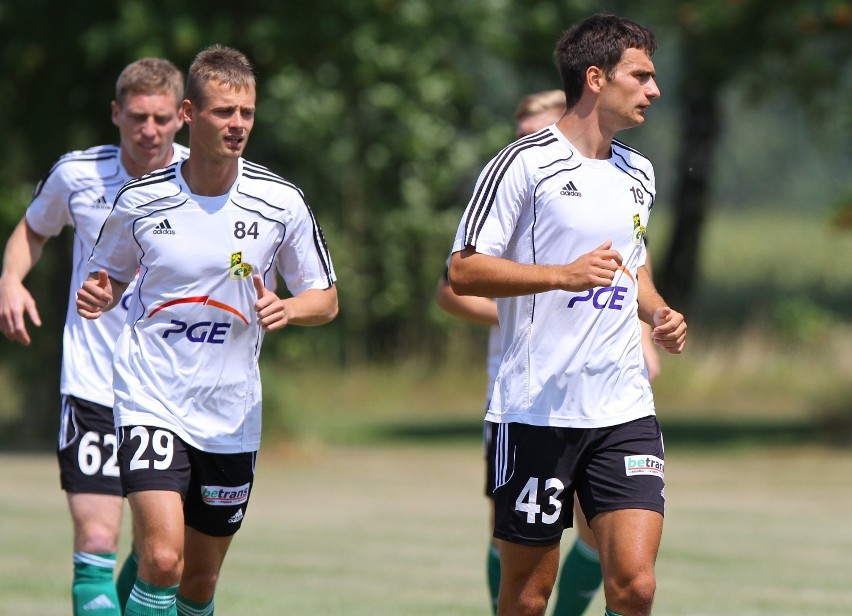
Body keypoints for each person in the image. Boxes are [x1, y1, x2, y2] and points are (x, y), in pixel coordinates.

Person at [75, 45, 338, 616]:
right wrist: (101, 293)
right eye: (224, 112)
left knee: (199, 582)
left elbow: (327, 298)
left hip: (231, 411)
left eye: (246, 112)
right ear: (190, 114)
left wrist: (291, 310)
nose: (238, 124)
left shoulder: (280, 201)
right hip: (152, 395)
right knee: (162, 562)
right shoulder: (140, 200)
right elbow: (110, 276)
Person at [448, 14, 687, 616]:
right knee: (528, 596)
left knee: (635, 586)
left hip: (622, 406)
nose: (654, 90)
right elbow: (463, 270)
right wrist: (561, 275)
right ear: (596, 78)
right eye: (642, 75)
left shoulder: (640, 172)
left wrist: (659, 313)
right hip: (536, 411)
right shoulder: (523, 165)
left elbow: (636, 271)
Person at [0, 58, 187, 615]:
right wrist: (11, 279)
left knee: (164, 556)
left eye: (159, 118)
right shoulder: (77, 174)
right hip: (94, 385)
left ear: (182, 116)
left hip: (171, 393)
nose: (148, 131)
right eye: (136, 117)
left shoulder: (203, 178)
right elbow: (32, 231)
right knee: (99, 542)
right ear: (116, 114)